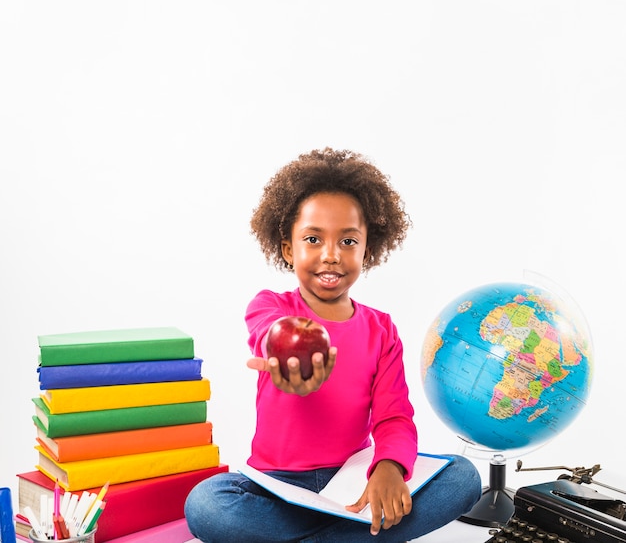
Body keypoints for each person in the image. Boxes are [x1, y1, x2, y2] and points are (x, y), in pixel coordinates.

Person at [185, 147, 481, 542]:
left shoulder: (382, 330)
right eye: (312, 239)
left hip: (353, 482)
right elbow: (268, 331)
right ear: (289, 249)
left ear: (367, 249)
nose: (330, 255)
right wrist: (284, 355)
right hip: (276, 487)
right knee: (205, 505)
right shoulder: (271, 307)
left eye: (347, 241)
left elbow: (393, 417)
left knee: (464, 478)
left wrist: (388, 468)